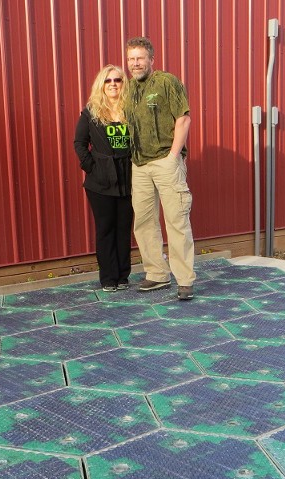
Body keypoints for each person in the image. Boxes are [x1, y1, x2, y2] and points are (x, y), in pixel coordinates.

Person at [124, 36, 196, 301]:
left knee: (176, 220)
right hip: (139, 165)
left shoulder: (167, 81)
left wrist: (173, 156)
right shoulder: (129, 88)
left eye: (140, 58)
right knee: (143, 222)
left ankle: (185, 279)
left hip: (166, 161)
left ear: (151, 59)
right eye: (131, 59)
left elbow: (184, 118)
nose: (135, 63)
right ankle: (156, 274)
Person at [73, 65, 133, 292]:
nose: (113, 84)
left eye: (117, 80)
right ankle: (108, 277)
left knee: (124, 228)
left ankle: (123, 276)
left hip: (128, 179)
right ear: (102, 84)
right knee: (106, 228)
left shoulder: (131, 110)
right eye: (108, 81)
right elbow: (79, 143)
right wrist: (91, 166)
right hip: (100, 182)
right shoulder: (91, 112)